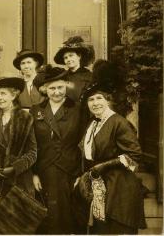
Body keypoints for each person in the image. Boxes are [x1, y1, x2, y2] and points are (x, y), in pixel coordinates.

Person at [75, 66, 146, 234]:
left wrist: (103, 167)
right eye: (91, 100)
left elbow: (135, 155)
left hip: (119, 188)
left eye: (99, 98)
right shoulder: (92, 124)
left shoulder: (118, 122)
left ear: (108, 100)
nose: (95, 103)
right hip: (99, 185)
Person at [30, 65, 85, 234]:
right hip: (44, 168)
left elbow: (85, 142)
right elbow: (31, 144)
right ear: (45, 89)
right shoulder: (36, 110)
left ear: (66, 85)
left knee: (68, 215)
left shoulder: (78, 109)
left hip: (69, 169)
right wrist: (34, 173)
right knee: (47, 216)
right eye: (52, 88)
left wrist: (82, 173)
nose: (56, 92)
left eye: (60, 87)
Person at [0, 77, 37, 232]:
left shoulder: (26, 118)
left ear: (14, 95)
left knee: (15, 228)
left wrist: (14, 168)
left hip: (19, 182)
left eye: (3, 94)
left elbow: (33, 152)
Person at [54, 36, 95, 102]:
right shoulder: (62, 76)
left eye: (71, 55)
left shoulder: (90, 77)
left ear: (79, 56)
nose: (68, 59)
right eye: (65, 58)